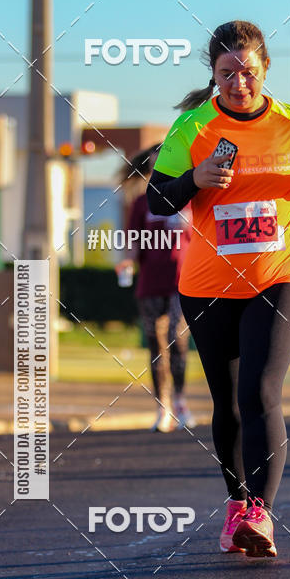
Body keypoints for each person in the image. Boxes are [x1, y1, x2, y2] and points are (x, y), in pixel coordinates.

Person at [147, 20, 290, 558]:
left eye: (248, 72)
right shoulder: (192, 127)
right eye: (227, 73)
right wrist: (196, 180)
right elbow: (156, 199)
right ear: (213, 76)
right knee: (227, 402)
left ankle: (260, 512)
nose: (239, 83)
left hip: (281, 275)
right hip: (208, 283)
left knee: (260, 390)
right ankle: (237, 505)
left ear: (265, 70)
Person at [115, 145, 194, 432]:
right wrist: (127, 261)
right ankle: (164, 407)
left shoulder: (191, 198)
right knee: (155, 345)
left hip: (183, 282)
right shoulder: (140, 203)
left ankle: (181, 400)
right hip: (150, 282)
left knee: (177, 338)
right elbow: (133, 242)